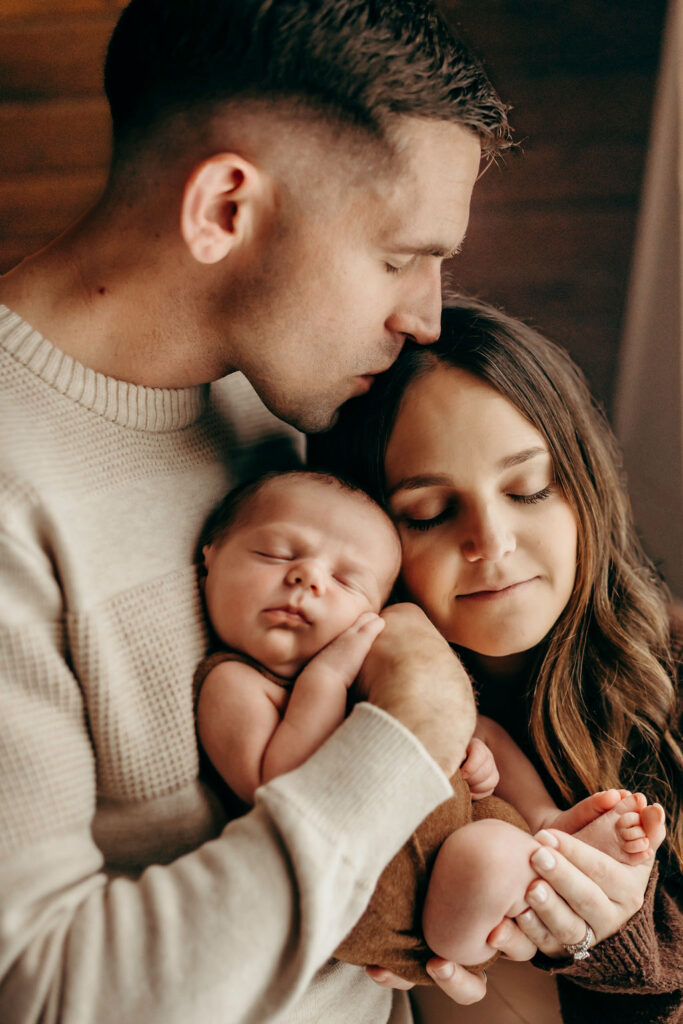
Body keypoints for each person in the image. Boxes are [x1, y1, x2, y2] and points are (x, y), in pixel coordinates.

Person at [0, 1, 523, 1021]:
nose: (423, 316)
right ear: (225, 209)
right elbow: (49, 995)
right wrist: (406, 730)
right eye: (399, 256)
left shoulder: (277, 395)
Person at [309, 297, 682, 1022]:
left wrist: (621, 958)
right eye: (429, 512)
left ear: (583, 488)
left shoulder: (670, 676)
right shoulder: (363, 715)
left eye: (527, 489)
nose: (492, 540)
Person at [194, 467, 660, 980]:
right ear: (210, 555)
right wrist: (326, 678)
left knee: (485, 745)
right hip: (387, 901)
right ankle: (539, 877)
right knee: (487, 858)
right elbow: (288, 787)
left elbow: (455, 731)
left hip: (466, 847)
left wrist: (467, 756)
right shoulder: (235, 682)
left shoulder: (367, 665)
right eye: (276, 554)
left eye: (347, 581)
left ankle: (551, 827)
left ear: (378, 607)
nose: (308, 579)